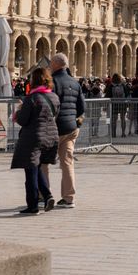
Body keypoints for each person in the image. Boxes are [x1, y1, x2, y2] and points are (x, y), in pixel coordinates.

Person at [12, 68, 60, 214]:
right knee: (37, 168)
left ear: (34, 80)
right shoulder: (54, 97)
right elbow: (55, 115)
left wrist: (18, 110)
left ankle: (32, 205)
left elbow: (22, 120)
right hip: (50, 137)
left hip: (33, 138)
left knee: (30, 172)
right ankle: (47, 196)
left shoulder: (32, 98)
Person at [45, 53, 85, 209]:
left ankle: (44, 195)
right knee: (67, 163)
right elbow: (82, 108)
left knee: (43, 162)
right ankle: (69, 198)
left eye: (50, 64)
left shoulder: (53, 82)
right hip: (71, 129)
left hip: (55, 128)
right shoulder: (75, 83)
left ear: (55, 65)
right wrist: (76, 125)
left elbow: (49, 106)